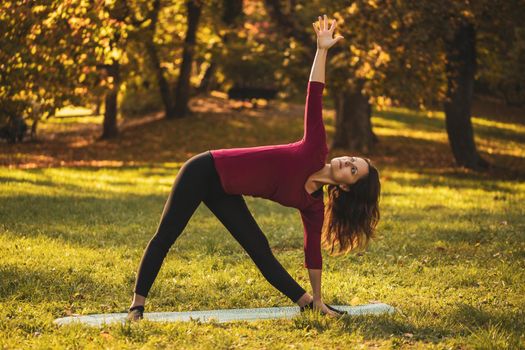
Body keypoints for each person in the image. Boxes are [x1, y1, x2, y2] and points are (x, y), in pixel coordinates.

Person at [127, 14, 381, 321]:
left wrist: (321, 297)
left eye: (352, 171)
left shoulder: (313, 205)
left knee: (259, 248)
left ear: (345, 187)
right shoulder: (315, 149)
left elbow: (312, 254)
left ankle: (309, 304)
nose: (347, 162)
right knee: (167, 235)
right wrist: (322, 50)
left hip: (225, 189)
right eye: (353, 160)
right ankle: (136, 307)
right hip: (203, 169)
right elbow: (315, 93)